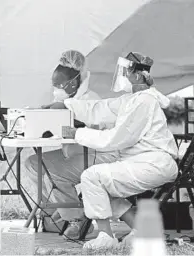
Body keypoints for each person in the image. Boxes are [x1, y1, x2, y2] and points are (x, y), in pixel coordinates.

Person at [53, 52, 178, 249]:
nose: (122, 77)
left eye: (125, 73)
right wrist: (66, 104)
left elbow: (114, 139)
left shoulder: (143, 102)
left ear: (137, 76)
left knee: (92, 178)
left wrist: (77, 133)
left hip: (153, 164)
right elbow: (100, 108)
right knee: (98, 185)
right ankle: (141, 231)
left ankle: (106, 238)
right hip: (142, 161)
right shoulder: (132, 99)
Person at [24, 50, 101, 239]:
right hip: (74, 154)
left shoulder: (91, 100)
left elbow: (88, 130)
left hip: (96, 155)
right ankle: (59, 210)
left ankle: (77, 219)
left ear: (73, 83)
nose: (54, 90)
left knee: (53, 172)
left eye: (58, 85)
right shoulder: (67, 100)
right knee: (33, 163)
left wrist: (61, 113)